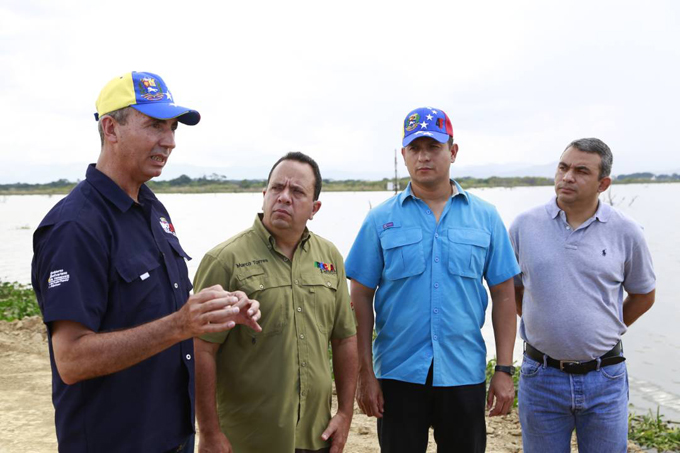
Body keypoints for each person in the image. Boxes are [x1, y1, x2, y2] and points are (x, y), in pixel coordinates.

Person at [30, 71, 261, 452]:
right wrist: (179, 324)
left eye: (172, 128)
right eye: (155, 126)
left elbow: (160, 310)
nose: (169, 142)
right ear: (111, 129)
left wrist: (215, 309)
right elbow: (71, 359)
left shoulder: (152, 208)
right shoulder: (75, 226)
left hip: (173, 436)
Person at [345, 107, 520, 453]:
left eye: (434, 147)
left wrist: (503, 368)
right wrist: (365, 373)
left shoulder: (485, 217)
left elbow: (503, 295)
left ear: (452, 152)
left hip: (463, 371)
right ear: (404, 155)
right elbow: (360, 297)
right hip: (397, 372)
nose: (424, 156)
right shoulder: (380, 220)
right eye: (415, 148)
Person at [193, 152, 358, 453]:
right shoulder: (224, 260)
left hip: (315, 436)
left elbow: (345, 338)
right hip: (246, 440)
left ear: (315, 208)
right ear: (264, 194)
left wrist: (345, 414)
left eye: (297, 192)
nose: (284, 197)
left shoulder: (330, 258)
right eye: (277, 188)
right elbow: (201, 349)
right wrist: (208, 432)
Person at [509, 138, 655, 453]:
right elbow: (512, 290)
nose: (567, 177)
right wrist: (544, 322)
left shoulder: (627, 231)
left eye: (581, 171)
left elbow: (643, 294)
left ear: (603, 183)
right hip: (541, 377)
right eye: (563, 167)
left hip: (606, 378)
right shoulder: (524, 226)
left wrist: (608, 326)